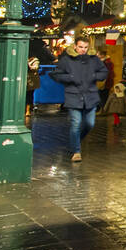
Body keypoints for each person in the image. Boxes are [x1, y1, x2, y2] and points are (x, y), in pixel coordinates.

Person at [49, 35, 109, 163]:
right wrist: (70, 77)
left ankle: (74, 141)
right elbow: (56, 74)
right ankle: (76, 151)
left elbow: (104, 72)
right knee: (75, 123)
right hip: (73, 95)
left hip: (90, 96)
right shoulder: (66, 60)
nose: (83, 50)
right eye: (81, 47)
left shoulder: (94, 60)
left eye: (85, 47)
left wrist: (94, 75)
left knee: (90, 123)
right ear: (75, 46)